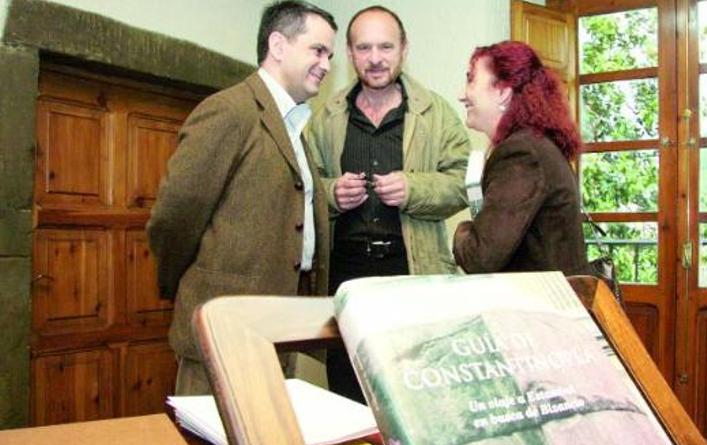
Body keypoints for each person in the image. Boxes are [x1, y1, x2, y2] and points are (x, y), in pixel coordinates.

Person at [147, 1, 336, 395]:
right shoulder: (228, 111)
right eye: (318, 51)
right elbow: (174, 217)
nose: (327, 65)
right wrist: (182, 284)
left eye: (330, 55)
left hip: (272, 333)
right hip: (221, 330)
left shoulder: (295, 127)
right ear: (279, 45)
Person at [305, 5, 469, 402]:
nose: (375, 58)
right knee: (346, 389)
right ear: (349, 53)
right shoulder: (325, 117)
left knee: (414, 390)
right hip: (345, 274)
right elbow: (302, 187)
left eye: (385, 47)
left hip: (411, 269)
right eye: (364, 48)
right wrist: (331, 194)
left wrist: (413, 189)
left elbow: (462, 184)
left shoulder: (436, 113)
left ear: (404, 49)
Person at [453, 41, 589, 276]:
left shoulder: (521, 154)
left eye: (471, 79)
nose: (461, 95)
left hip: (541, 309)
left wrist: (462, 231)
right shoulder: (534, 145)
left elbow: (480, 257)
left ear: (503, 93)